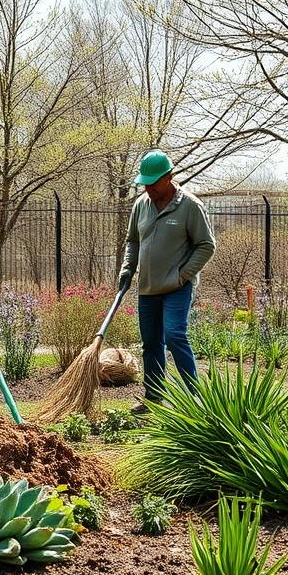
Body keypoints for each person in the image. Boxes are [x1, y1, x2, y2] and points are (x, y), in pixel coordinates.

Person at [117, 149, 216, 413]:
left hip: (177, 288)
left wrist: (183, 275)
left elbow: (206, 245)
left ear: (169, 177)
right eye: (145, 183)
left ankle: (194, 399)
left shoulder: (190, 207)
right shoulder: (141, 205)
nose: (147, 188)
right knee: (150, 342)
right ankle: (153, 396)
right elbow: (133, 242)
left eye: (152, 183)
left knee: (174, 335)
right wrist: (128, 268)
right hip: (148, 287)